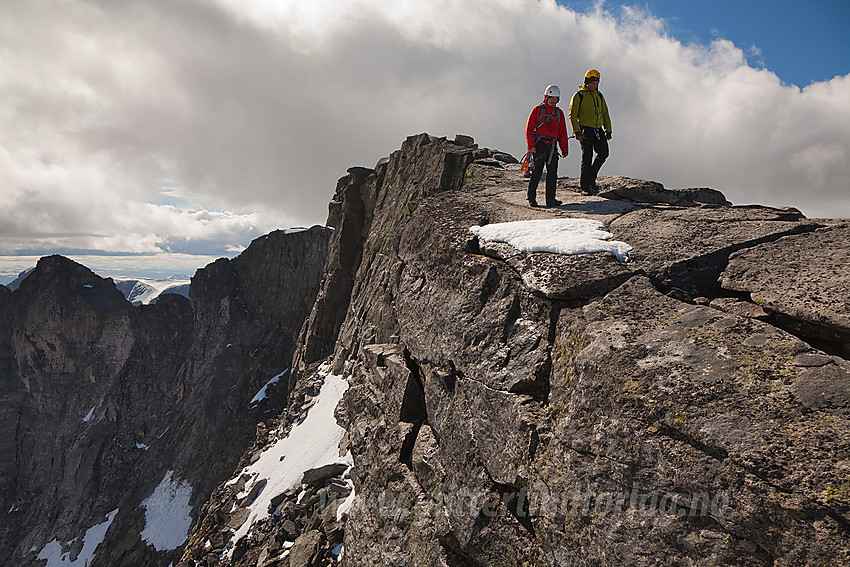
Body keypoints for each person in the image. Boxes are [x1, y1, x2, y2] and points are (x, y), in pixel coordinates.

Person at [569, 69, 612, 194]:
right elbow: (572, 114)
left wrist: (608, 130)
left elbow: (605, 113)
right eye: (593, 83)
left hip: (597, 129)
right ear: (587, 82)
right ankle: (585, 187)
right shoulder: (579, 96)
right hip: (585, 129)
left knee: (604, 152)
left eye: (597, 83)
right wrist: (577, 131)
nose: (595, 85)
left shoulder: (599, 95)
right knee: (587, 156)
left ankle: (591, 177)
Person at [525, 85, 569, 207]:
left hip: (552, 145)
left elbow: (562, 132)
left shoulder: (559, 113)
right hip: (539, 144)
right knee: (537, 171)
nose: (554, 101)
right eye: (552, 98)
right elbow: (529, 129)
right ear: (546, 97)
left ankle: (551, 200)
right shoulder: (537, 110)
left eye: (556, 99)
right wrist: (531, 146)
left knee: (552, 173)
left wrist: (565, 149)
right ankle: (531, 197)